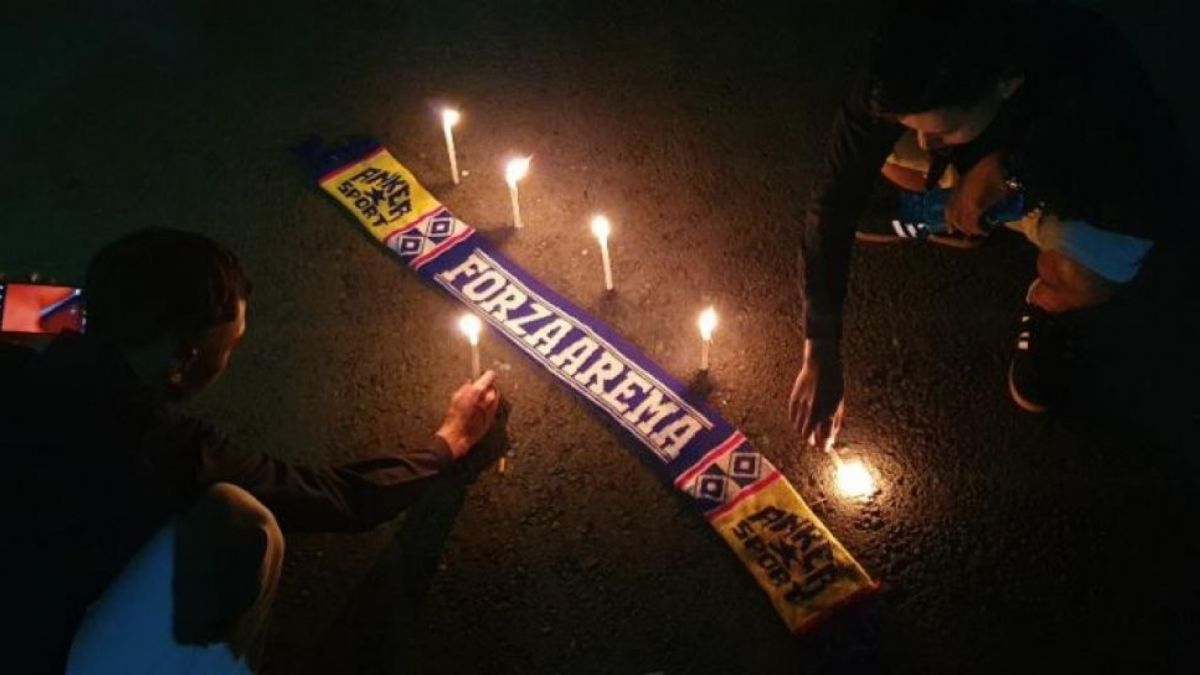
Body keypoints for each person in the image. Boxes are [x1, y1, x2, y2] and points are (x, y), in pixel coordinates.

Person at [1, 228, 506, 673]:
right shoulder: (167, 450)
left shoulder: (18, 370)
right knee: (242, 524)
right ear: (184, 359)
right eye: (230, 346)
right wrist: (446, 445)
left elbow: (48, 309)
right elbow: (340, 499)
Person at [789, 0, 1189, 447]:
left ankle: (1048, 303)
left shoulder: (1089, 72)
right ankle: (956, 217)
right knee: (875, 163)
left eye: (942, 131)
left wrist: (1015, 171)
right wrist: (820, 343)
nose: (927, 143)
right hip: (997, 156)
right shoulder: (904, 67)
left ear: (1006, 85)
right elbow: (832, 199)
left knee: (1084, 271)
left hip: (1074, 174)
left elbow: (1156, 198)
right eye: (917, 126)